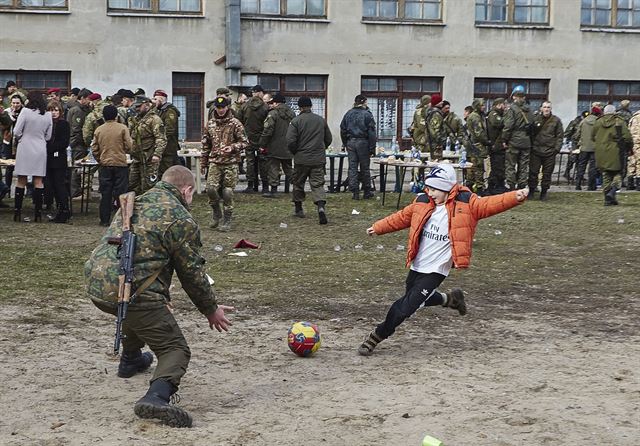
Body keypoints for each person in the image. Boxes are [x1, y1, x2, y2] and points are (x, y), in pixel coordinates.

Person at [85, 165, 234, 428]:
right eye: (192, 194)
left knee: (139, 310)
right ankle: (156, 397)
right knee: (175, 349)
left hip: (98, 285)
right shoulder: (180, 219)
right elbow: (192, 272)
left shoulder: (135, 202)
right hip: (132, 290)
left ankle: (131, 359)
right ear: (186, 190)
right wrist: (211, 309)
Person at [357, 164, 529, 356]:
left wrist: (515, 197)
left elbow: (491, 204)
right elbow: (402, 217)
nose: (429, 192)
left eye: (434, 189)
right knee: (418, 300)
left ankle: (377, 335)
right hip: (418, 264)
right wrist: (379, 227)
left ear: (447, 188)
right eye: (428, 188)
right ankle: (451, 299)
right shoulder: (423, 201)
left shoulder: (467, 203)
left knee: (405, 307)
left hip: (436, 269)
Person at [201, 96, 248, 231]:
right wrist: (203, 163)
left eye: (223, 107)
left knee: (227, 192)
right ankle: (216, 212)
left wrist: (232, 147)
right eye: (218, 107)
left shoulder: (235, 123)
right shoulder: (210, 124)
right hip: (215, 161)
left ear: (227, 107)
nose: (221, 110)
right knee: (210, 189)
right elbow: (205, 144)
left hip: (231, 162)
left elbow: (245, 142)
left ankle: (227, 220)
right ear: (215, 108)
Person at [286, 96, 333, 224]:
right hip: (318, 159)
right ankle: (321, 207)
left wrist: (296, 152)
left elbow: (290, 141)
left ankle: (299, 208)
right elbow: (328, 139)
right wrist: (321, 148)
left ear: (299, 107)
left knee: (298, 183)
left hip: (301, 159)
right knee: (317, 184)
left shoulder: (296, 121)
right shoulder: (321, 120)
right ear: (311, 106)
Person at [13, 91, 52, 222]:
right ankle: (38, 213)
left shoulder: (25, 112)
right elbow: (49, 135)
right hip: (40, 147)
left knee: (21, 180)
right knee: (38, 181)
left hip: (25, 146)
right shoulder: (47, 115)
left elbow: (16, 131)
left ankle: (17, 211)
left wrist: (21, 137)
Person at [92, 104, 133, 226]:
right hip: (120, 163)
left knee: (106, 193)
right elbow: (130, 145)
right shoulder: (122, 128)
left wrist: (100, 159)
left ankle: (104, 220)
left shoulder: (99, 130)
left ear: (103, 116)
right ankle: (122, 219)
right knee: (121, 193)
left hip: (105, 165)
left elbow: (94, 148)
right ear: (116, 115)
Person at [592, 104, 632, 206]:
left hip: (601, 152)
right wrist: (629, 147)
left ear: (604, 112)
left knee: (606, 174)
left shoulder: (598, 122)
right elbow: (627, 137)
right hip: (616, 151)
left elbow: (593, 136)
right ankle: (613, 191)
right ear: (614, 112)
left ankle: (608, 199)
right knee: (619, 173)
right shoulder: (619, 121)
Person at [340, 94, 377, 200]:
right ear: (364, 102)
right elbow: (371, 132)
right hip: (363, 142)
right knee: (365, 168)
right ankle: (366, 191)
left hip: (351, 142)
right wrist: (372, 147)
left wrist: (345, 143)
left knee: (352, 168)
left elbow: (342, 129)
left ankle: (355, 192)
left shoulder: (348, 114)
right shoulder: (367, 114)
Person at [128, 96, 167, 195]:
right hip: (136, 158)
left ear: (146, 105)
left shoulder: (154, 119)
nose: (137, 109)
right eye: (136, 107)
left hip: (149, 158)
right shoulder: (136, 119)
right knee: (132, 184)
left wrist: (157, 154)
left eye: (139, 106)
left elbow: (161, 138)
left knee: (148, 186)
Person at [258, 93, 295, 198]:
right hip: (288, 145)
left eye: (272, 103)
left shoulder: (273, 114)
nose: (271, 105)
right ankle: (298, 186)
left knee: (273, 167)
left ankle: (273, 190)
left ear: (276, 103)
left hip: (274, 145)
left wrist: (262, 144)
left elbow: (267, 131)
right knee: (288, 168)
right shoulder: (292, 113)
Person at [528, 101, 563, 201]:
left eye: (548, 107)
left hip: (550, 152)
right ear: (541, 108)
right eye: (544, 107)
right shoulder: (535, 119)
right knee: (533, 172)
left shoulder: (556, 121)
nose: (546, 109)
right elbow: (530, 133)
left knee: (547, 173)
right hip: (536, 150)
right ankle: (531, 191)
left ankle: (544, 192)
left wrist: (556, 149)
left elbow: (560, 136)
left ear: (551, 109)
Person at [238, 84, 269, 193]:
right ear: (260, 93)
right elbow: (268, 124)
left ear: (253, 93)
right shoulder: (266, 107)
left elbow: (239, 122)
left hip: (249, 138)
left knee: (250, 161)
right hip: (262, 139)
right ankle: (265, 186)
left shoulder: (244, 106)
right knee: (263, 162)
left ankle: (250, 185)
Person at [503, 85, 534, 190]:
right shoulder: (529, 109)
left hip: (514, 140)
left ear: (514, 96)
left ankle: (512, 187)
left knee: (511, 165)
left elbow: (508, 126)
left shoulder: (512, 109)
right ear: (524, 97)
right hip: (526, 141)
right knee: (524, 165)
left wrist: (504, 139)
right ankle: (522, 186)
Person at [45, 100, 71, 223]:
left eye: (56, 110)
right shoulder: (46, 123)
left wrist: (51, 147)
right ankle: (59, 208)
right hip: (48, 159)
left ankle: (64, 209)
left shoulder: (64, 124)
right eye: (51, 110)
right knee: (51, 185)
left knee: (59, 184)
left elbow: (64, 142)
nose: (53, 113)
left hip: (59, 158)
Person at [67, 88, 93, 197]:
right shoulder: (78, 111)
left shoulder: (84, 109)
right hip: (78, 144)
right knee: (76, 168)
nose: (89, 101)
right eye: (88, 99)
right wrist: (81, 142)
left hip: (79, 143)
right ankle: (75, 191)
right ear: (82, 98)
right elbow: (77, 129)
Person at [152, 89, 181, 179]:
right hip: (164, 148)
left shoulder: (169, 111)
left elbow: (170, 130)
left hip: (168, 147)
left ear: (161, 99)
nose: (154, 102)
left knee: (167, 171)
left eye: (155, 99)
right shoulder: (160, 110)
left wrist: (160, 139)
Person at [465, 98, 490, 195]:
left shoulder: (476, 116)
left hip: (473, 146)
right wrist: (487, 141)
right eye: (482, 105)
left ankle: (470, 188)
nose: (484, 107)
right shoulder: (475, 117)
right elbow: (478, 132)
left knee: (472, 168)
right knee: (478, 167)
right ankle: (479, 189)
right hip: (477, 146)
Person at [574, 106, 600, 191]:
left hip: (584, 147)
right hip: (595, 148)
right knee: (592, 167)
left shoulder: (583, 121)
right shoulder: (599, 122)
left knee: (581, 166)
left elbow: (577, 134)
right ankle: (591, 186)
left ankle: (578, 185)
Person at [486, 98, 507, 194]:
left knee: (499, 166)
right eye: (503, 104)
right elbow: (497, 123)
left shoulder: (499, 114)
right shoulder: (493, 114)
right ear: (498, 105)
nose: (505, 106)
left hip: (499, 146)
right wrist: (508, 119)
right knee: (496, 167)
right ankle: (493, 186)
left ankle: (498, 185)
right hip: (495, 146)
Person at [563, 111, 589, 183]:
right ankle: (567, 172)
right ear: (582, 117)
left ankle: (579, 175)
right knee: (572, 158)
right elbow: (567, 132)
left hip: (582, 143)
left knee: (581, 159)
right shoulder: (574, 122)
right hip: (574, 143)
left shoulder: (586, 123)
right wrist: (567, 142)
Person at [425, 94, 447, 160]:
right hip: (436, 144)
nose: (442, 102)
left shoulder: (430, 112)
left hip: (432, 142)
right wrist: (439, 142)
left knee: (434, 161)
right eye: (440, 101)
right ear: (436, 103)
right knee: (437, 161)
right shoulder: (436, 114)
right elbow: (436, 130)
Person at [627, 107, 640, 191]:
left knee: (631, 162)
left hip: (632, 143)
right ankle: (639, 184)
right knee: (639, 162)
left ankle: (630, 183)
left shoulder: (632, 118)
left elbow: (628, 130)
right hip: (639, 142)